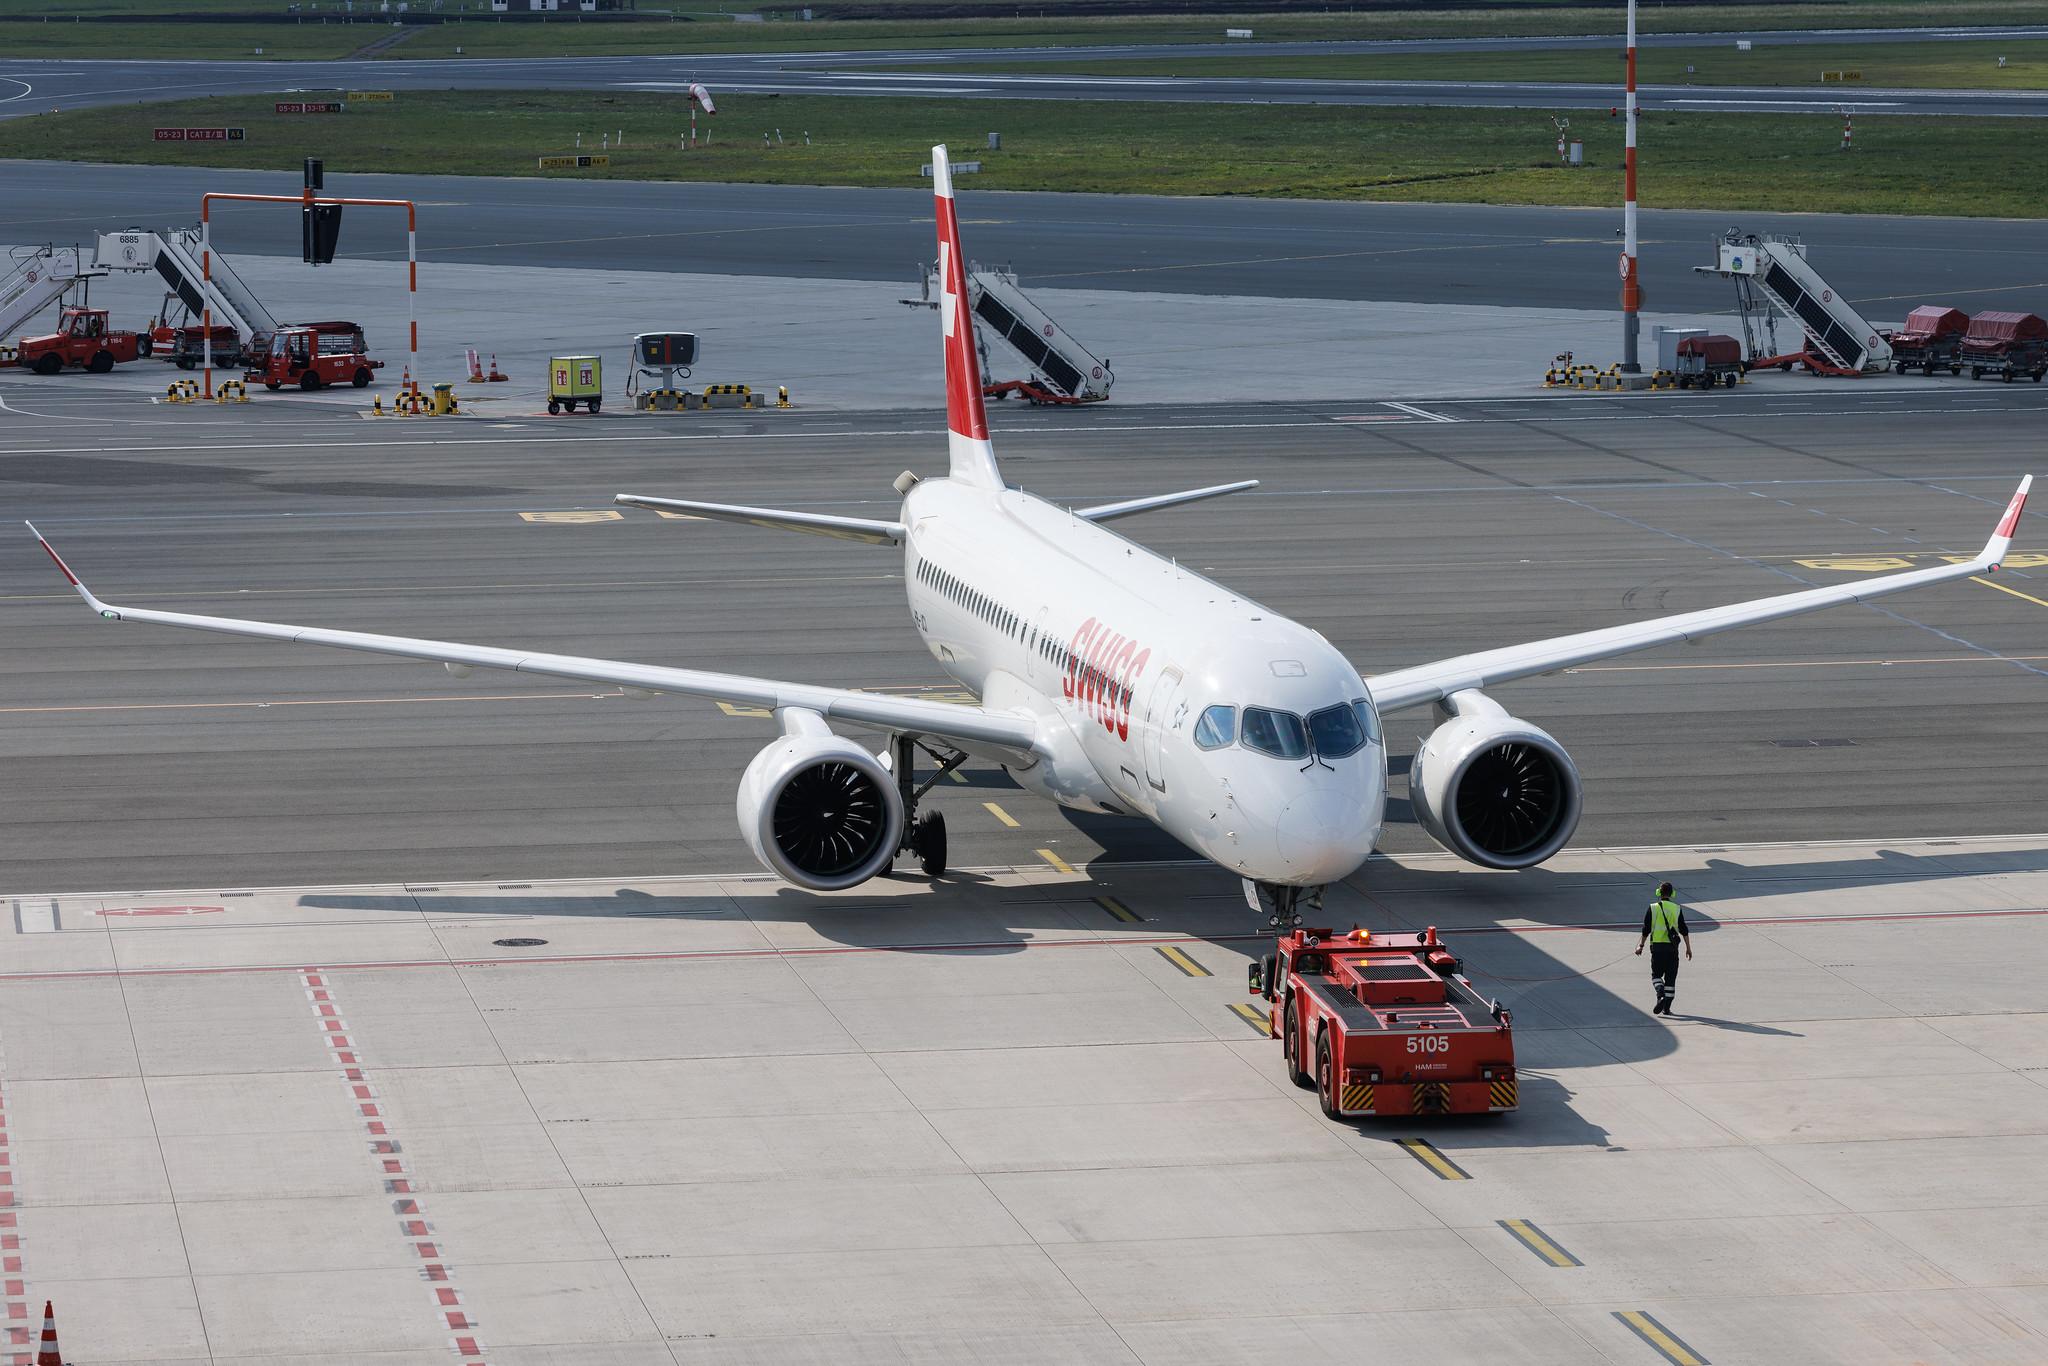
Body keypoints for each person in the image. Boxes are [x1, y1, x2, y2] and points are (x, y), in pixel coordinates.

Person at [1634, 880, 1692, 1015]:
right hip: (1672, 949)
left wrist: (1641, 946)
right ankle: (1667, 1008)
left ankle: (1660, 994)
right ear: (1672, 894)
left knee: (1656, 975)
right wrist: (1688, 948)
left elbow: (1646, 929)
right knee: (1671, 979)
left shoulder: (1653, 908)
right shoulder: (1677, 908)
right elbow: (1684, 930)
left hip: (1657, 948)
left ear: (1658, 893)